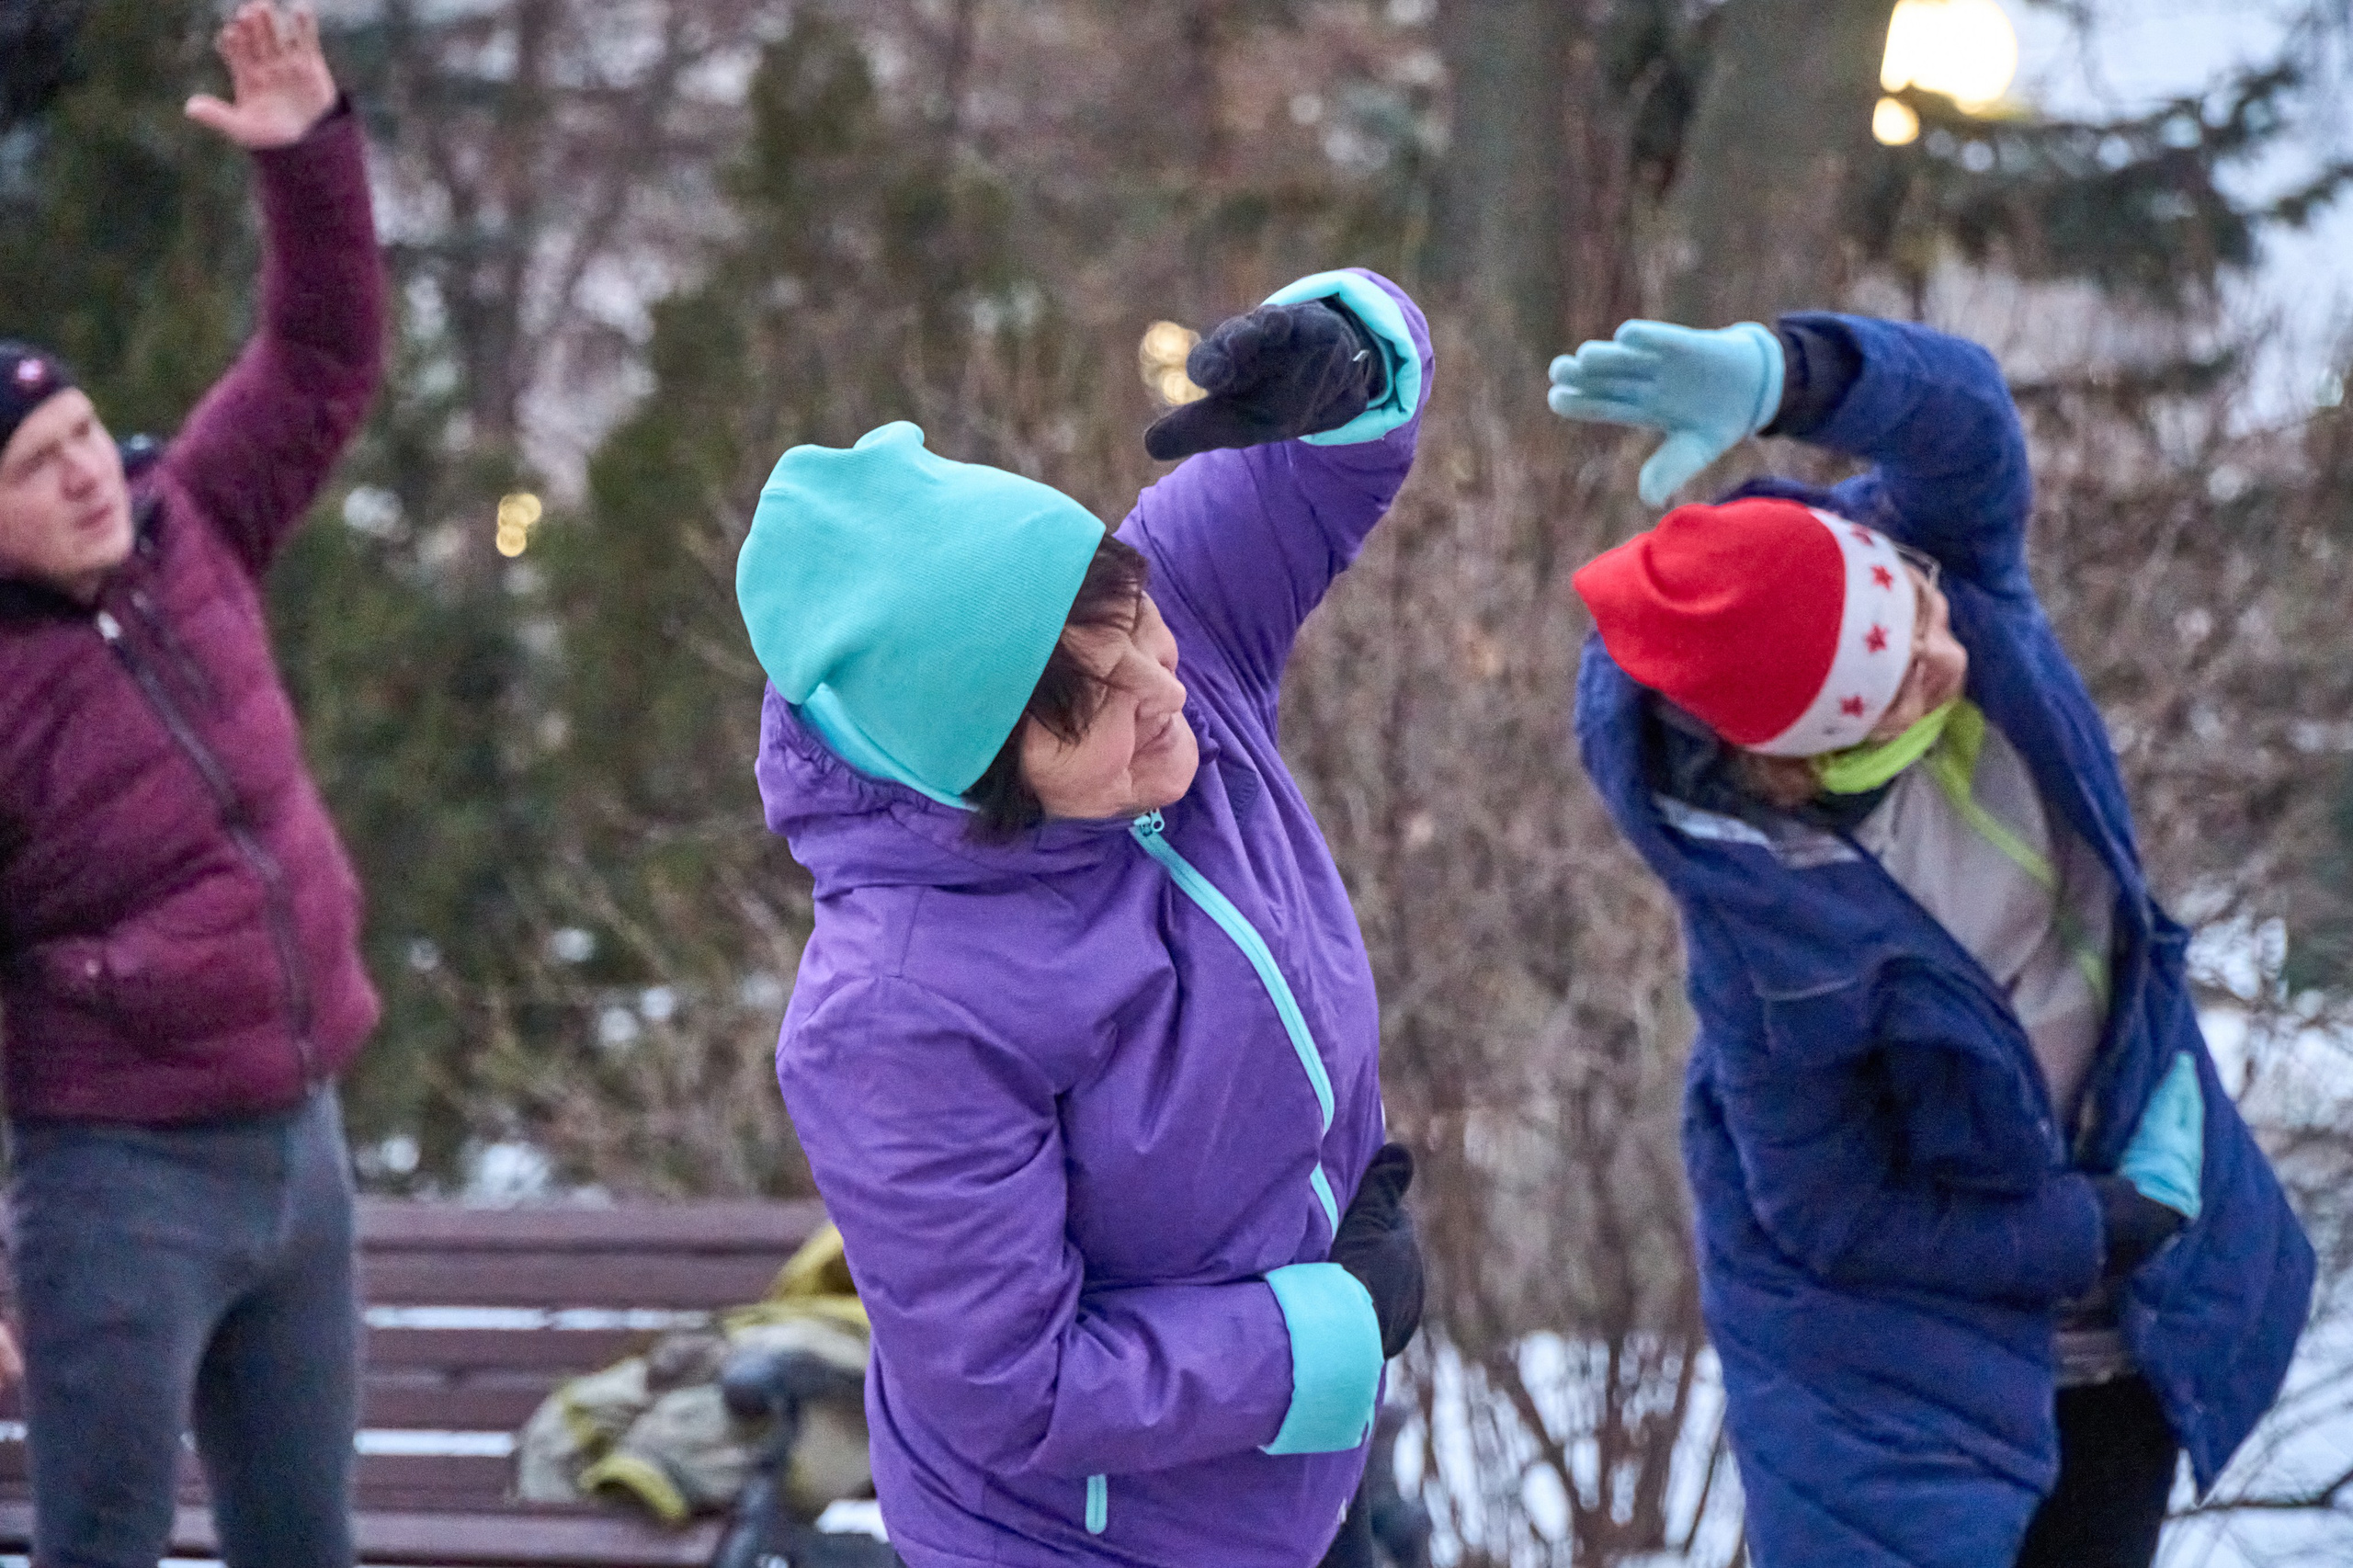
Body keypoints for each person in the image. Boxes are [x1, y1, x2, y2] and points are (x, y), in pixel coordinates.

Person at [1547, 312, 2314, 1568]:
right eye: (1896, 683)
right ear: (1801, 766)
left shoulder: (1960, 587)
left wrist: (1786, 373)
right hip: (1910, 1368)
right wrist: (2091, 1225)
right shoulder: (1771, 949)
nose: (1947, 656)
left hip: (2137, 1295)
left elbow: (1965, 421)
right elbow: (1831, 1213)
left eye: (1913, 610)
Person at [733, 269, 1433, 1567]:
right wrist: (1324, 1324)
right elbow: (1018, 1383)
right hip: (1091, 1539)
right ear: (978, 778)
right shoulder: (897, 1009)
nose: (1162, 690)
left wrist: (1339, 360)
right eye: (1086, 706)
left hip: (1285, 1483)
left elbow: (1325, 464)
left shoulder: (1160, 648)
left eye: (1139, 622)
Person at [0, 6, 384, 1562]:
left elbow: (321, 356)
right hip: (116, 1182)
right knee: (100, 1544)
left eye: (86, 432)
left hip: (302, 1148)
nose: (89, 470)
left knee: (305, 1543)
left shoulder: (192, 523)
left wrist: (309, 161)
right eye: (35, 465)